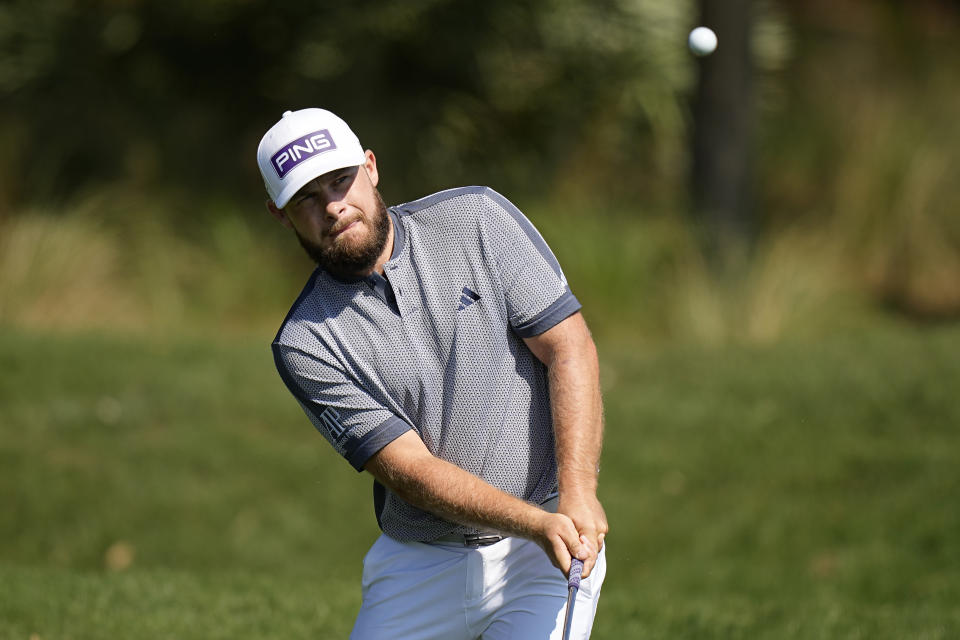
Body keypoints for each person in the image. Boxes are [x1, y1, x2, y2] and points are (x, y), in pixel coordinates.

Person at [257, 108, 608, 639]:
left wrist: (577, 492)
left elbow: (569, 347)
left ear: (370, 167)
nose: (333, 206)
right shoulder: (305, 343)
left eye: (340, 180)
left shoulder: (478, 220)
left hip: (544, 547)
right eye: (307, 197)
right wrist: (534, 523)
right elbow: (410, 471)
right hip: (419, 564)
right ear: (280, 215)